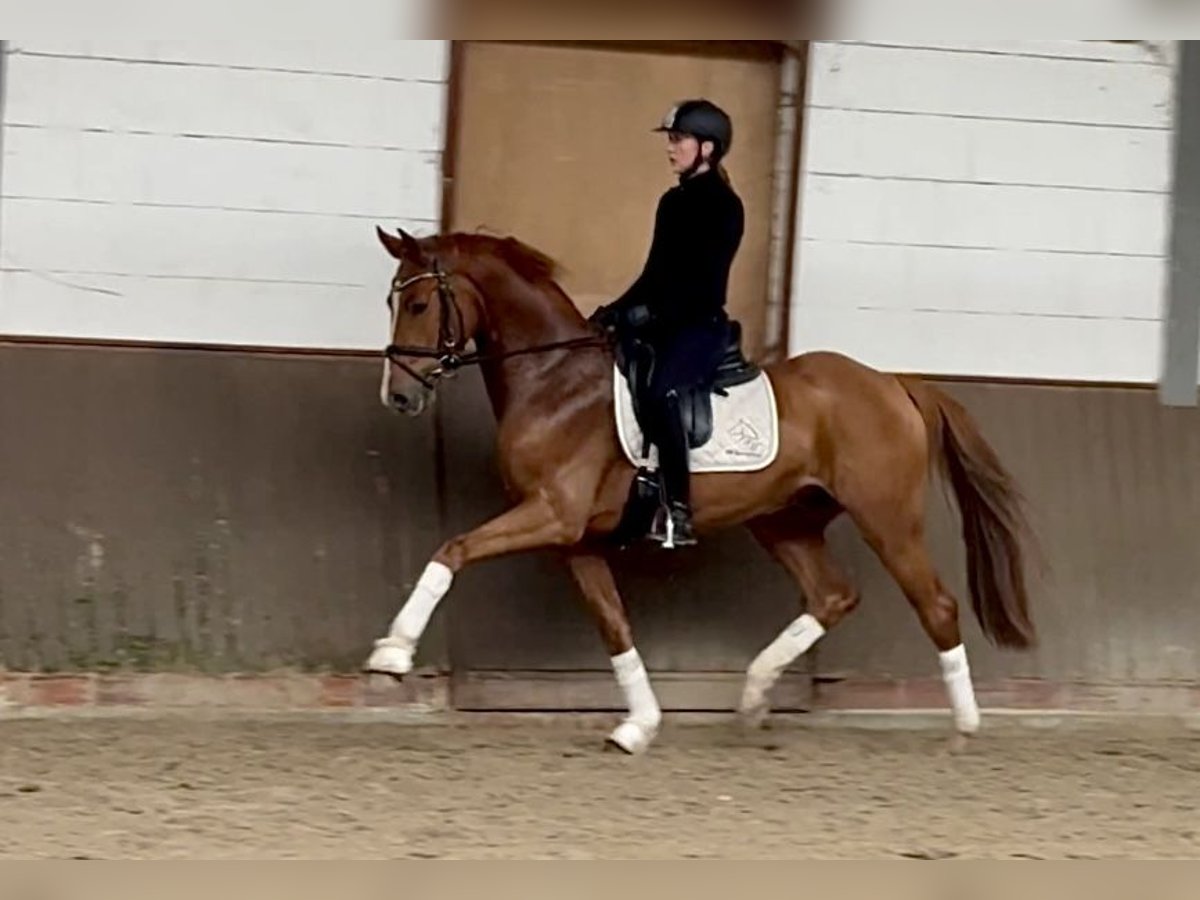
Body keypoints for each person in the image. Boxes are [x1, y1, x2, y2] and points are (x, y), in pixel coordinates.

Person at [589, 98, 745, 548]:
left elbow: (702, 281)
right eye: (671, 140)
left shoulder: (724, 206)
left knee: (664, 393)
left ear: (707, 148)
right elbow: (654, 274)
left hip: (699, 327)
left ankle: (678, 508)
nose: (670, 148)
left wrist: (650, 314)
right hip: (663, 324)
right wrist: (614, 311)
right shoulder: (672, 202)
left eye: (679, 140)